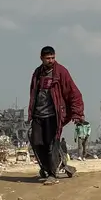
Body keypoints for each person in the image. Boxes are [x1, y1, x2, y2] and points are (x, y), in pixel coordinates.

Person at [28, 46, 85, 183]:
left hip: (54, 115)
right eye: (48, 58)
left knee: (52, 143)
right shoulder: (37, 73)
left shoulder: (61, 72)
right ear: (41, 58)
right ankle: (50, 167)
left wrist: (77, 113)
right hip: (38, 115)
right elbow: (33, 94)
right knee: (36, 142)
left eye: (53, 57)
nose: (51, 61)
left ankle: (52, 174)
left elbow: (74, 93)